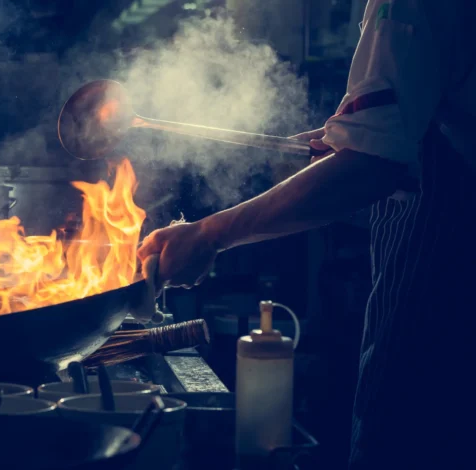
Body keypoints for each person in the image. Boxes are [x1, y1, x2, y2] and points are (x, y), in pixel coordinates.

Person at [138, 1, 475, 468]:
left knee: (410, 432)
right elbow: (400, 127)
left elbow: (371, 166)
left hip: (452, 279)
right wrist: (349, 139)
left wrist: (208, 236)